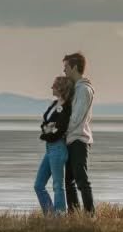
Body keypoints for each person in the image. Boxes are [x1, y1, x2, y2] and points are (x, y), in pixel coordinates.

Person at [62, 51, 95, 213]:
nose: (64, 71)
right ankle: (73, 216)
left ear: (74, 67)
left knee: (81, 180)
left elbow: (76, 118)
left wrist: (62, 131)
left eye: (66, 67)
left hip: (79, 141)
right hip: (71, 139)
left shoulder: (83, 90)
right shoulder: (76, 89)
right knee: (69, 182)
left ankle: (90, 216)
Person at [34, 74, 72, 214]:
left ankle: (60, 217)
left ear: (61, 88)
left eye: (54, 85)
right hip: (49, 149)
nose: (52, 87)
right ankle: (50, 215)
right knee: (38, 185)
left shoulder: (67, 107)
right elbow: (45, 123)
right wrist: (47, 130)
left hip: (58, 148)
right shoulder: (54, 104)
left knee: (57, 186)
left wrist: (48, 132)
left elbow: (59, 129)